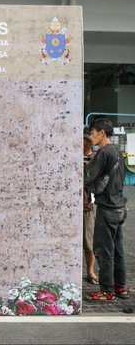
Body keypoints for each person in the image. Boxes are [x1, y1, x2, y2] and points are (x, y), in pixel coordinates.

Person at [84, 118, 129, 301]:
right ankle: (121, 287)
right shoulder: (117, 152)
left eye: (93, 132)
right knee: (118, 250)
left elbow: (87, 178)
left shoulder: (103, 152)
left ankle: (106, 291)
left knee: (104, 251)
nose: (91, 136)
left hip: (107, 208)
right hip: (120, 208)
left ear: (102, 133)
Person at [83, 126, 98, 285]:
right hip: (72, 204)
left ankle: (90, 271)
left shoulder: (95, 157)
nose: (85, 142)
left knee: (89, 242)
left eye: (88, 139)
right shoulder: (72, 154)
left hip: (88, 205)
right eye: (84, 139)